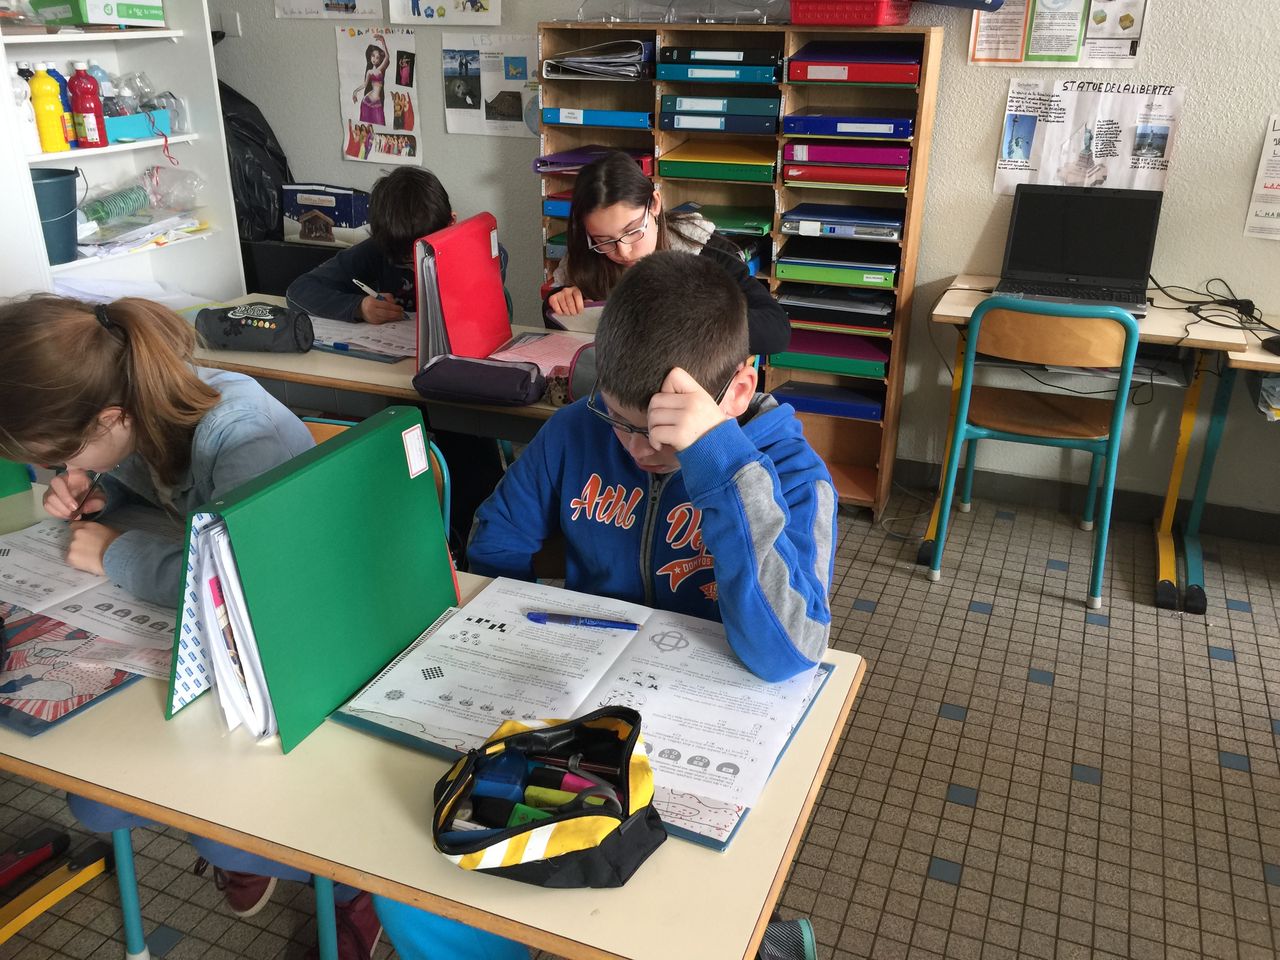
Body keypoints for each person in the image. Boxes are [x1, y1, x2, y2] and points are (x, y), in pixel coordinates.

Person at [373, 251, 834, 958]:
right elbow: (497, 542)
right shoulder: (577, 428)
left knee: (658, 914)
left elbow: (788, 652)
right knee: (416, 891)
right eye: (621, 421)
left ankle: (762, 942)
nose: (637, 449)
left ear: (738, 390)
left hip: (713, 732)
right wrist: (519, 636)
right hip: (582, 714)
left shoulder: (793, 476)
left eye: (663, 432)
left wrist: (718, 462)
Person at [0, 295, 382, 959]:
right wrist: (100, 493)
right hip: (217, 637)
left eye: (64, 454)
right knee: (96, 803)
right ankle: (252, 846)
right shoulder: (136, 401)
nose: (61, 469)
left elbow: (240, 589)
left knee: (214, 833)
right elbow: (155, 492)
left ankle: (358, 886)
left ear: (110, 417)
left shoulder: (243, 435)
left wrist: (114, 552)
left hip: (306, 644)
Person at [545, 150, 791, 357]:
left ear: (654, 204)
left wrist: (695, 319)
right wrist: (560, 301)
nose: (623, 251)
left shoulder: (700, 247)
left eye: (632, 231)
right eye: (604, 240)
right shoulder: (587, 255)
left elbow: (776, 331)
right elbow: (556, 328)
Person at [286, 166, 454, 325]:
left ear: (451, 224)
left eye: (428, 256)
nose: (419, 270)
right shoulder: (381, 248)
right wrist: (359, 307)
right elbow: (299, 291)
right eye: (408, 263)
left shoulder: (467, 253)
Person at [353, 34, 388, 126]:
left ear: (380, 60)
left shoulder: (380, 69)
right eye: (373, 56)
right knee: (367, 126)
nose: (374, 59)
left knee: (380, 124)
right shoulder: (369, 72)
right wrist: (355, 92)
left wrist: (383, 41)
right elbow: (365, 84)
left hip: (377, 102)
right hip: (367, 102)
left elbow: (387, 57)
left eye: (377, 57)